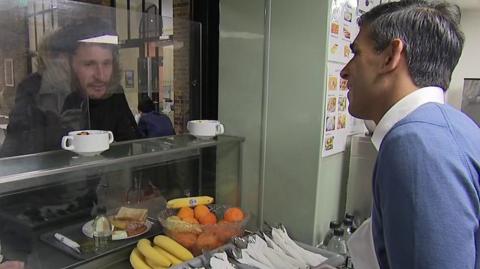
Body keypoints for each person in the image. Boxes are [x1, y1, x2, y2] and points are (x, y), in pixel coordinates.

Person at [341, 1, 480, 269]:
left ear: (391, 56)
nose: (345, 71)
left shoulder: (415, 144)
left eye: (356, 53)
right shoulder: (452, 126)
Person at [0, 17, 141, 157]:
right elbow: (12, 153)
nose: (101, 76)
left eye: (107, 63)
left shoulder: (113, 93)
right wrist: (58, 130)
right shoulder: (34, 89)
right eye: (89, 64)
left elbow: (133, 144)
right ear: (68, 64)